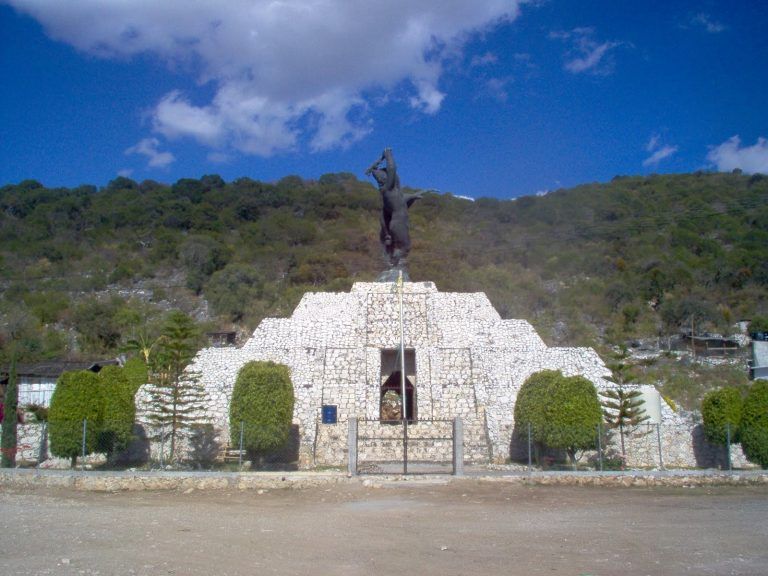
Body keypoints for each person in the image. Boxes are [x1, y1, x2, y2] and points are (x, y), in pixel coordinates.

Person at [365, 148, 421, 268]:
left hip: (394, 220)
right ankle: (395, 264)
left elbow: (401, 199)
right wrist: (388, 155)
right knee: (402, 247)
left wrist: (413, 196)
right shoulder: (388, 188)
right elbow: (392, 168)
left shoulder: (390, 191)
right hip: (397, 219)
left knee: (397, 248)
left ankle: (394, 262)